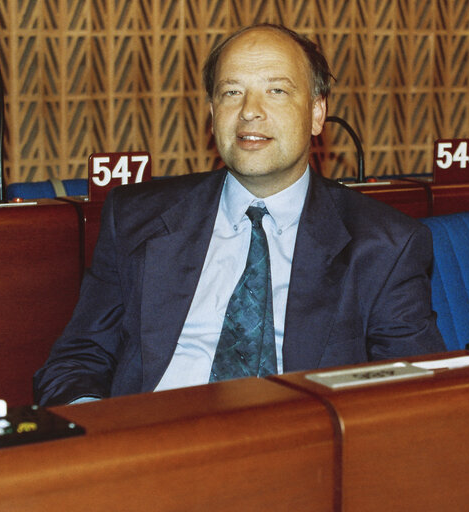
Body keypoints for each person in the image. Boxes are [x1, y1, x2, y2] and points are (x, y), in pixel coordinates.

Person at [34, 23, 445, 406]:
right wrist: (97, 437)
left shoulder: (385, 244)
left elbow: (413, 394)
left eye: (277, 91)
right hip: (149, 446)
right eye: (231, 92)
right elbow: (79, 358)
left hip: (299, 458)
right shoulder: (136, 218)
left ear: (318, 113)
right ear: (212, 113)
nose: (250, 111)